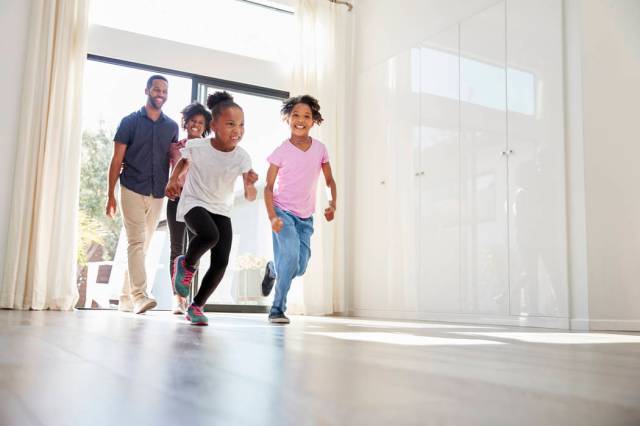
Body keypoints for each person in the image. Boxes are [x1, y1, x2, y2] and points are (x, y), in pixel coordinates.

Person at [166, 91, 258, 326]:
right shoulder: (198, 146)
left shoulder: (242, 157)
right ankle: (186, 264)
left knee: (221, 261)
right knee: (209, 235)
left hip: (220, 208)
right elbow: (183, 162)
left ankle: (196, 306)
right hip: (193, 202)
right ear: (214, 125)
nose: (237, 129)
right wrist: (173, 180)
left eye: (241, 125)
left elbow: (250, 195)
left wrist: (249, 185)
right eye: (230, 124)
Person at [106, 74, 179, 315]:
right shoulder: (129, 122)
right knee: (136, 242)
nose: (161, 94)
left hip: (157, 192)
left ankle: (126, 298)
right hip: (131, 188)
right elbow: (117, 161)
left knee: (141, 246)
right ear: (147, 90)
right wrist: (111, 195)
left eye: (164, 91)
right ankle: (139, 296)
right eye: (157, 89)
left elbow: (173, 158)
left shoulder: (171, 127)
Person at [262, 95, 337, 324]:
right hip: (282, 213)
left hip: (306, 218)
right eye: (295, 115)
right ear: (288, 118)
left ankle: (273, 269)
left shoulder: (320, 149)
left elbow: (330, 180)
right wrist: (272, 216)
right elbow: (268, 187)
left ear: (314, 120)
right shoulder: (281, 151)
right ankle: (277, 309)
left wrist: (333, 203)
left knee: (300, 267)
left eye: (307, 116)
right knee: (291, 258)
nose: (301, 120)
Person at [167, 102, 212, 315]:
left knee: (195, 250)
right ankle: (178, 300)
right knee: (177, 249)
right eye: (192, 121)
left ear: (205, 127)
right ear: (186, 122)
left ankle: (194, 300)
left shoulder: (209, 149)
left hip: (198, 204)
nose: (195, 125)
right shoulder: (175, 147)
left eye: (200, 122)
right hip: (176, 200)